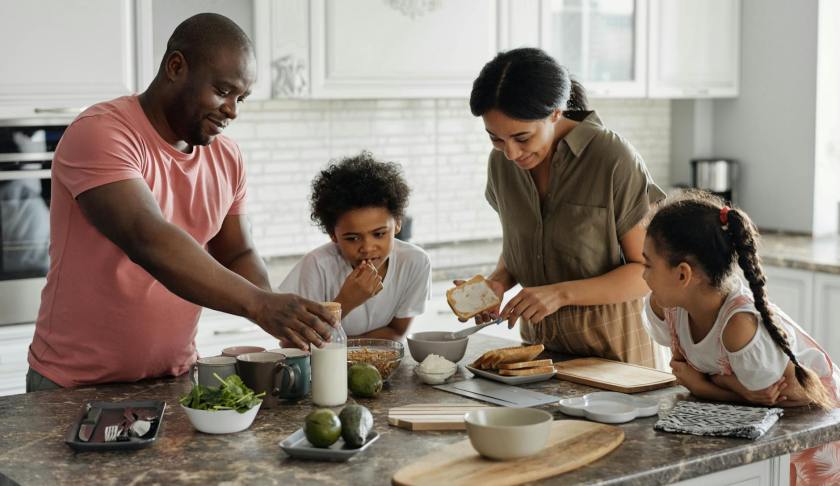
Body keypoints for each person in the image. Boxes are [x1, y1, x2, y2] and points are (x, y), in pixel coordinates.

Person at [26, 13, 337, 392]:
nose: (232, 110)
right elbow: (148, 238)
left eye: (241, 98)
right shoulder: (101, 132)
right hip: (74, 385)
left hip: (174, 378)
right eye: (223, 91)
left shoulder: (226, 156)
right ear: (176, 67)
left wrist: (279, 315)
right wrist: (260, 305)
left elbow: (238, 251)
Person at [466, 47, 665, 366]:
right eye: (496, 139)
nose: (511, 153)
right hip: (538, 359)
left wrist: (559, 294)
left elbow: (648, 272)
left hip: (616, 360)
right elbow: (524, 247)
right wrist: (498, 283)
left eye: (522, 138)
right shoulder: (501, 165)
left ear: (556, 113)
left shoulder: (611, 158)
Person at [642, 190, 839, 485]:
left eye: (648, 265)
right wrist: (734, 388)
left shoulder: (739, 327)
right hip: (751, 423)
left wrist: (707, 386)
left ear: (683, 275)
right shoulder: (668, 306)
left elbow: (789, 397)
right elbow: (749, 396)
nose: (642, 275)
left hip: (815, 425)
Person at [278, 152, 431, 340]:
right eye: (352, 238)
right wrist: (346, 302)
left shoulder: (415, 262)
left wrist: (345, 348)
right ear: (333, 234)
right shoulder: (317, 266)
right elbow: (291, 343)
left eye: (379, 234)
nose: (367, 247)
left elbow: (396, 332)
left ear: (398, 223)